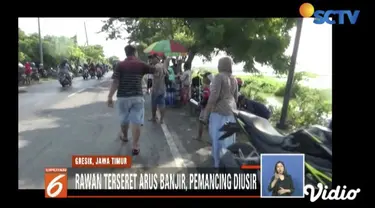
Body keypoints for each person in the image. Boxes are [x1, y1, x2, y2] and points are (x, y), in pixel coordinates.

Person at [107, 45, 155, 155]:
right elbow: (155, 70)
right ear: (135, 53)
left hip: (122, 97)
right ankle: (135, 146)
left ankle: (124, 136)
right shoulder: (141, 64)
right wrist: (163, 61)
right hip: (137, 96)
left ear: (126, 53)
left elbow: (115, 82)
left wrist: (110, 96)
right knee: (136, 120)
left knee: (124, 119)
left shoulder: (120, 65)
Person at [202, 57, 238, 169]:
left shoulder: (219, 77)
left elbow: (213, 97)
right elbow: (235, 97)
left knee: (217, 139)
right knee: (228, 141)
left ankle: (217, 164)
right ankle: (228, 164)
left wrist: (206, 113)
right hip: (231, 111)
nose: (217, 66)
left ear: (222, 65)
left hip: (219, 112)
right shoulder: (234, 79)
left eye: (219, 64)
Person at [148, 54, 169, 124]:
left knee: (154, 104)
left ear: (156, 58)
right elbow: (167, 74)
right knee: (162, 104)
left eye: (152, 58)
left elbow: (152, 74)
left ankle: (154, 117)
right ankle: (161, 119)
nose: (151, 60)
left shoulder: (156, 67)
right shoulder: (163, 66)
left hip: (156, 88)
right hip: (162, 88)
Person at [194, 72, 212, 140]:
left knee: (201, 121)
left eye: (203, 77)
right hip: (211, 107)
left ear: (206, 79)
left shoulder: (206, 87)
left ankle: (199, 137)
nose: (202, 79)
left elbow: (206, 99)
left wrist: (200, 104)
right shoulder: (213, 86)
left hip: (205, 107)